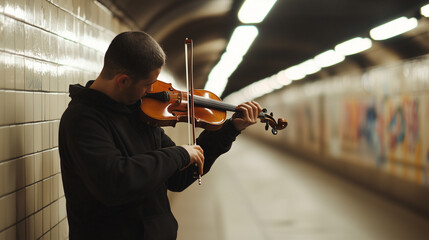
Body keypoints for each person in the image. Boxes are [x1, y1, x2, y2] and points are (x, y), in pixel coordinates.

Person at [58, 31, 262, 240]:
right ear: (123, 80)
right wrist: (179, 154)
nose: (150, 92)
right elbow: (115, 181)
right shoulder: (83, 119)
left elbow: (178, 176)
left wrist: (230, 129)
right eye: (147, 85)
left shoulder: (139, 114)